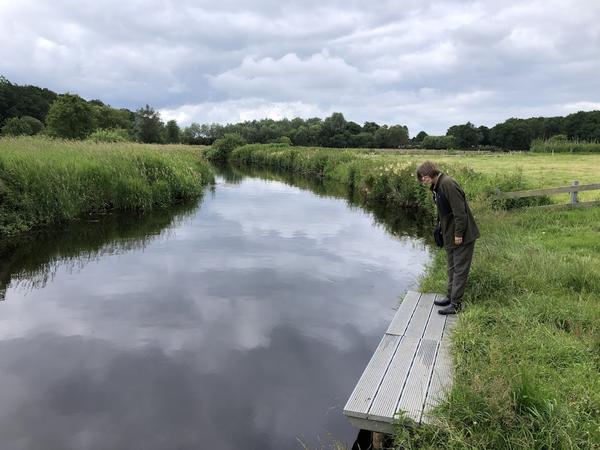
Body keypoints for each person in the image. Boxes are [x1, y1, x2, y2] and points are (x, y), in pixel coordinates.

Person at [416, 161, 480, 315]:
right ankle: (450, 297)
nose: (422, 180)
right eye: (421, 178)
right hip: (450, 234)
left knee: (460, 269)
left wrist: (458, 234)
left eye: (423, 177)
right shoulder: (438, 186)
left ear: (431, 174)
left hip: (462, 235)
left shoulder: (448, 184)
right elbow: (444, 213)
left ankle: (456, 304)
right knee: (451, 266)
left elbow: (460, 213)